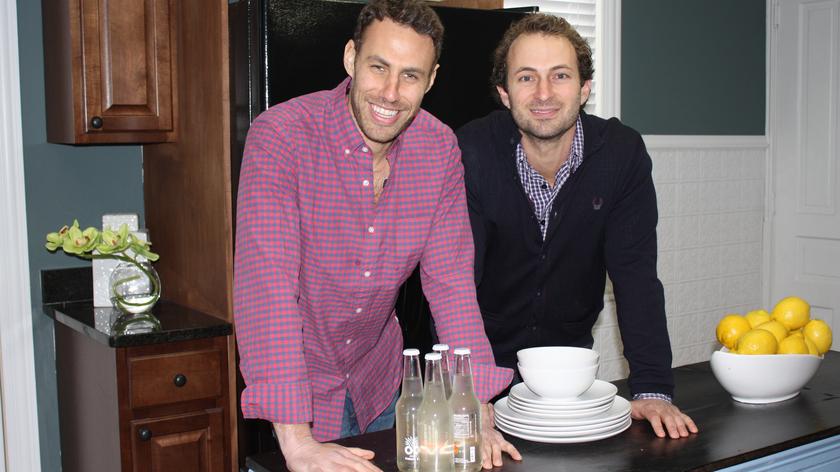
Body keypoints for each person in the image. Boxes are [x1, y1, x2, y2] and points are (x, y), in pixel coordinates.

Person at [234, 1, 520, 470]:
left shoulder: (439, 150)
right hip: (298, 395)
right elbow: (267, 290)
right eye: (378, 67)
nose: (390, 92)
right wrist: (298, 442)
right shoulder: (282, 138)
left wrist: (476, 412)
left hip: (381, 383)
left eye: (410, 76)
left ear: (431, 80)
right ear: (351, 58)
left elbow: (451, 286)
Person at [456, 13, 699, 440]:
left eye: (560, 75)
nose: (543, 93)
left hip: (567, 373)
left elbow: (636, 278)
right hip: (479, 363)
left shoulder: (621, 155)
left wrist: (652, 388)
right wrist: (468, 393)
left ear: (585, 88)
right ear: (504, 93)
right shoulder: (470, 151)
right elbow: (455, 285)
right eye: (526, 77)